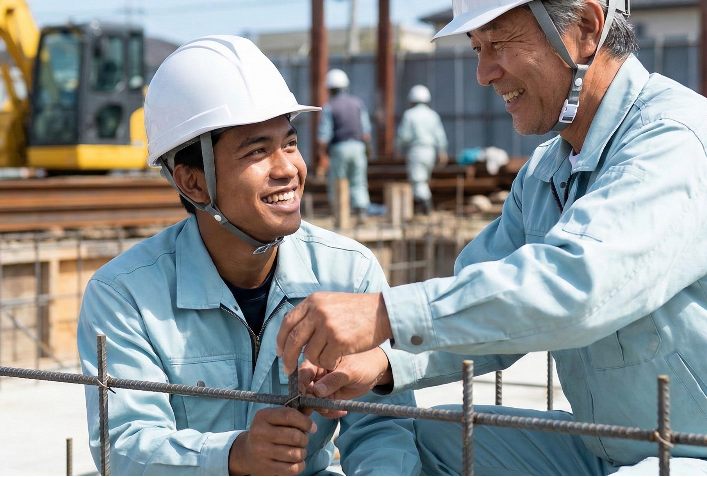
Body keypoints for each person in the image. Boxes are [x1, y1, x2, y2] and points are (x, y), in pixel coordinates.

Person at [276, 0, 707, 476]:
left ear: (586, 29)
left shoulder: (676, 141)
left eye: (498, 44)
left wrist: (385, 312)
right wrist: (384, 362)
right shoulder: (549, 174)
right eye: (477, 47)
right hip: (611, 450)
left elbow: (577, 288)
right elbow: (493, 302)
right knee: (423, 439)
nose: (482, 72)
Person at [77, 36, 420, 476]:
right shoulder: (126, 296)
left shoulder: (347, 272)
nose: (288, 169)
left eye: (290, 143)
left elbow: (381, 428)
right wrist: (235, 455)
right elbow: (123, 445)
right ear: (193, 183)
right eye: (257, 150)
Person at [316, 68, 372, 223]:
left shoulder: (329, 106)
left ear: (329, 89)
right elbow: (366, 131)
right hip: (359, 146)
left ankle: (340, 212)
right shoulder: (357, 103)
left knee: (338, 179)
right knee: (359, 179)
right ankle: (361, 211)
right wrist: (367, 148)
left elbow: (324, 136)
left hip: (339, 148)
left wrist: (322, 155)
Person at [396, 85, 448, 215]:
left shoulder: (409, 115)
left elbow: (404, 136)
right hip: (430, 151)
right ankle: (422, 207)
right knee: (424, 180)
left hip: (417, 150)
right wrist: (442, 151)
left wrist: (397, 148)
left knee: (418, 180)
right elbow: (440, 136)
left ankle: (426, 207)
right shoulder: (433, 115)